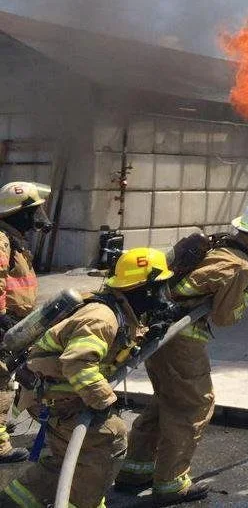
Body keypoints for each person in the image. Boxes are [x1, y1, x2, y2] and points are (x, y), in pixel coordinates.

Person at [116, 198, 248, 505]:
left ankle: (135, 469)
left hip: (159, 336)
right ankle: (170, 482)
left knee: (167, 401)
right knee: (193, 407)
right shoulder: (238, 266)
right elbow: (226, 316)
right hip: (182, 341)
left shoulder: (219, 247)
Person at [0, 247, 175, 508]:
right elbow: (77, 362)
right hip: (56, 395)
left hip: (47, 390)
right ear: (144, 289)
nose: (163, 296)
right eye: (159, 288)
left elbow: (103, 348)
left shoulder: (114, 308)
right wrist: (104, 401)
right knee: (107, 440)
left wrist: (145, 333)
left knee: (66, 456)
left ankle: (16, 500)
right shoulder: (102, 317)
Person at [0, 181, 50, 464]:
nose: (36, 218)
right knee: (2, 382)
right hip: (6, 323)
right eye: (32, 211)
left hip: (18, 322)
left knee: (23, 377)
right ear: (18, 212)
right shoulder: (2, 240)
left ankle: (55, 430)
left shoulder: (13, 240)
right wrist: (2, 318)